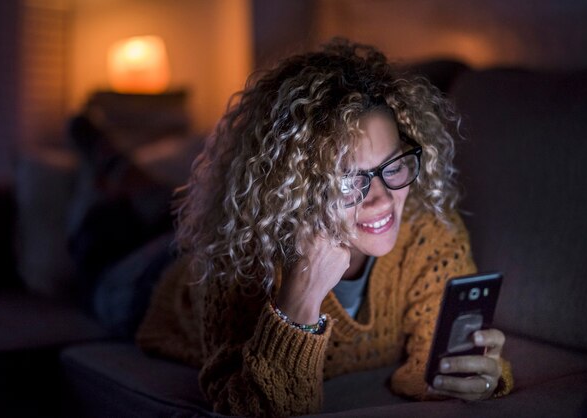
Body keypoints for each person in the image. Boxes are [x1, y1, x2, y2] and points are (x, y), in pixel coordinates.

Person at [137, 39, 513, 417]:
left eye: (393, 165)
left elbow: (432, 367)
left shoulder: (428, 231)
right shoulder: (241, 257)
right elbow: (250, 406)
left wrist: (474, 375)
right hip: (155, 286)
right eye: (350, 180)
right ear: (294, 187)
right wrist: (300, 294)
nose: (381, 199)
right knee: (118, 230)